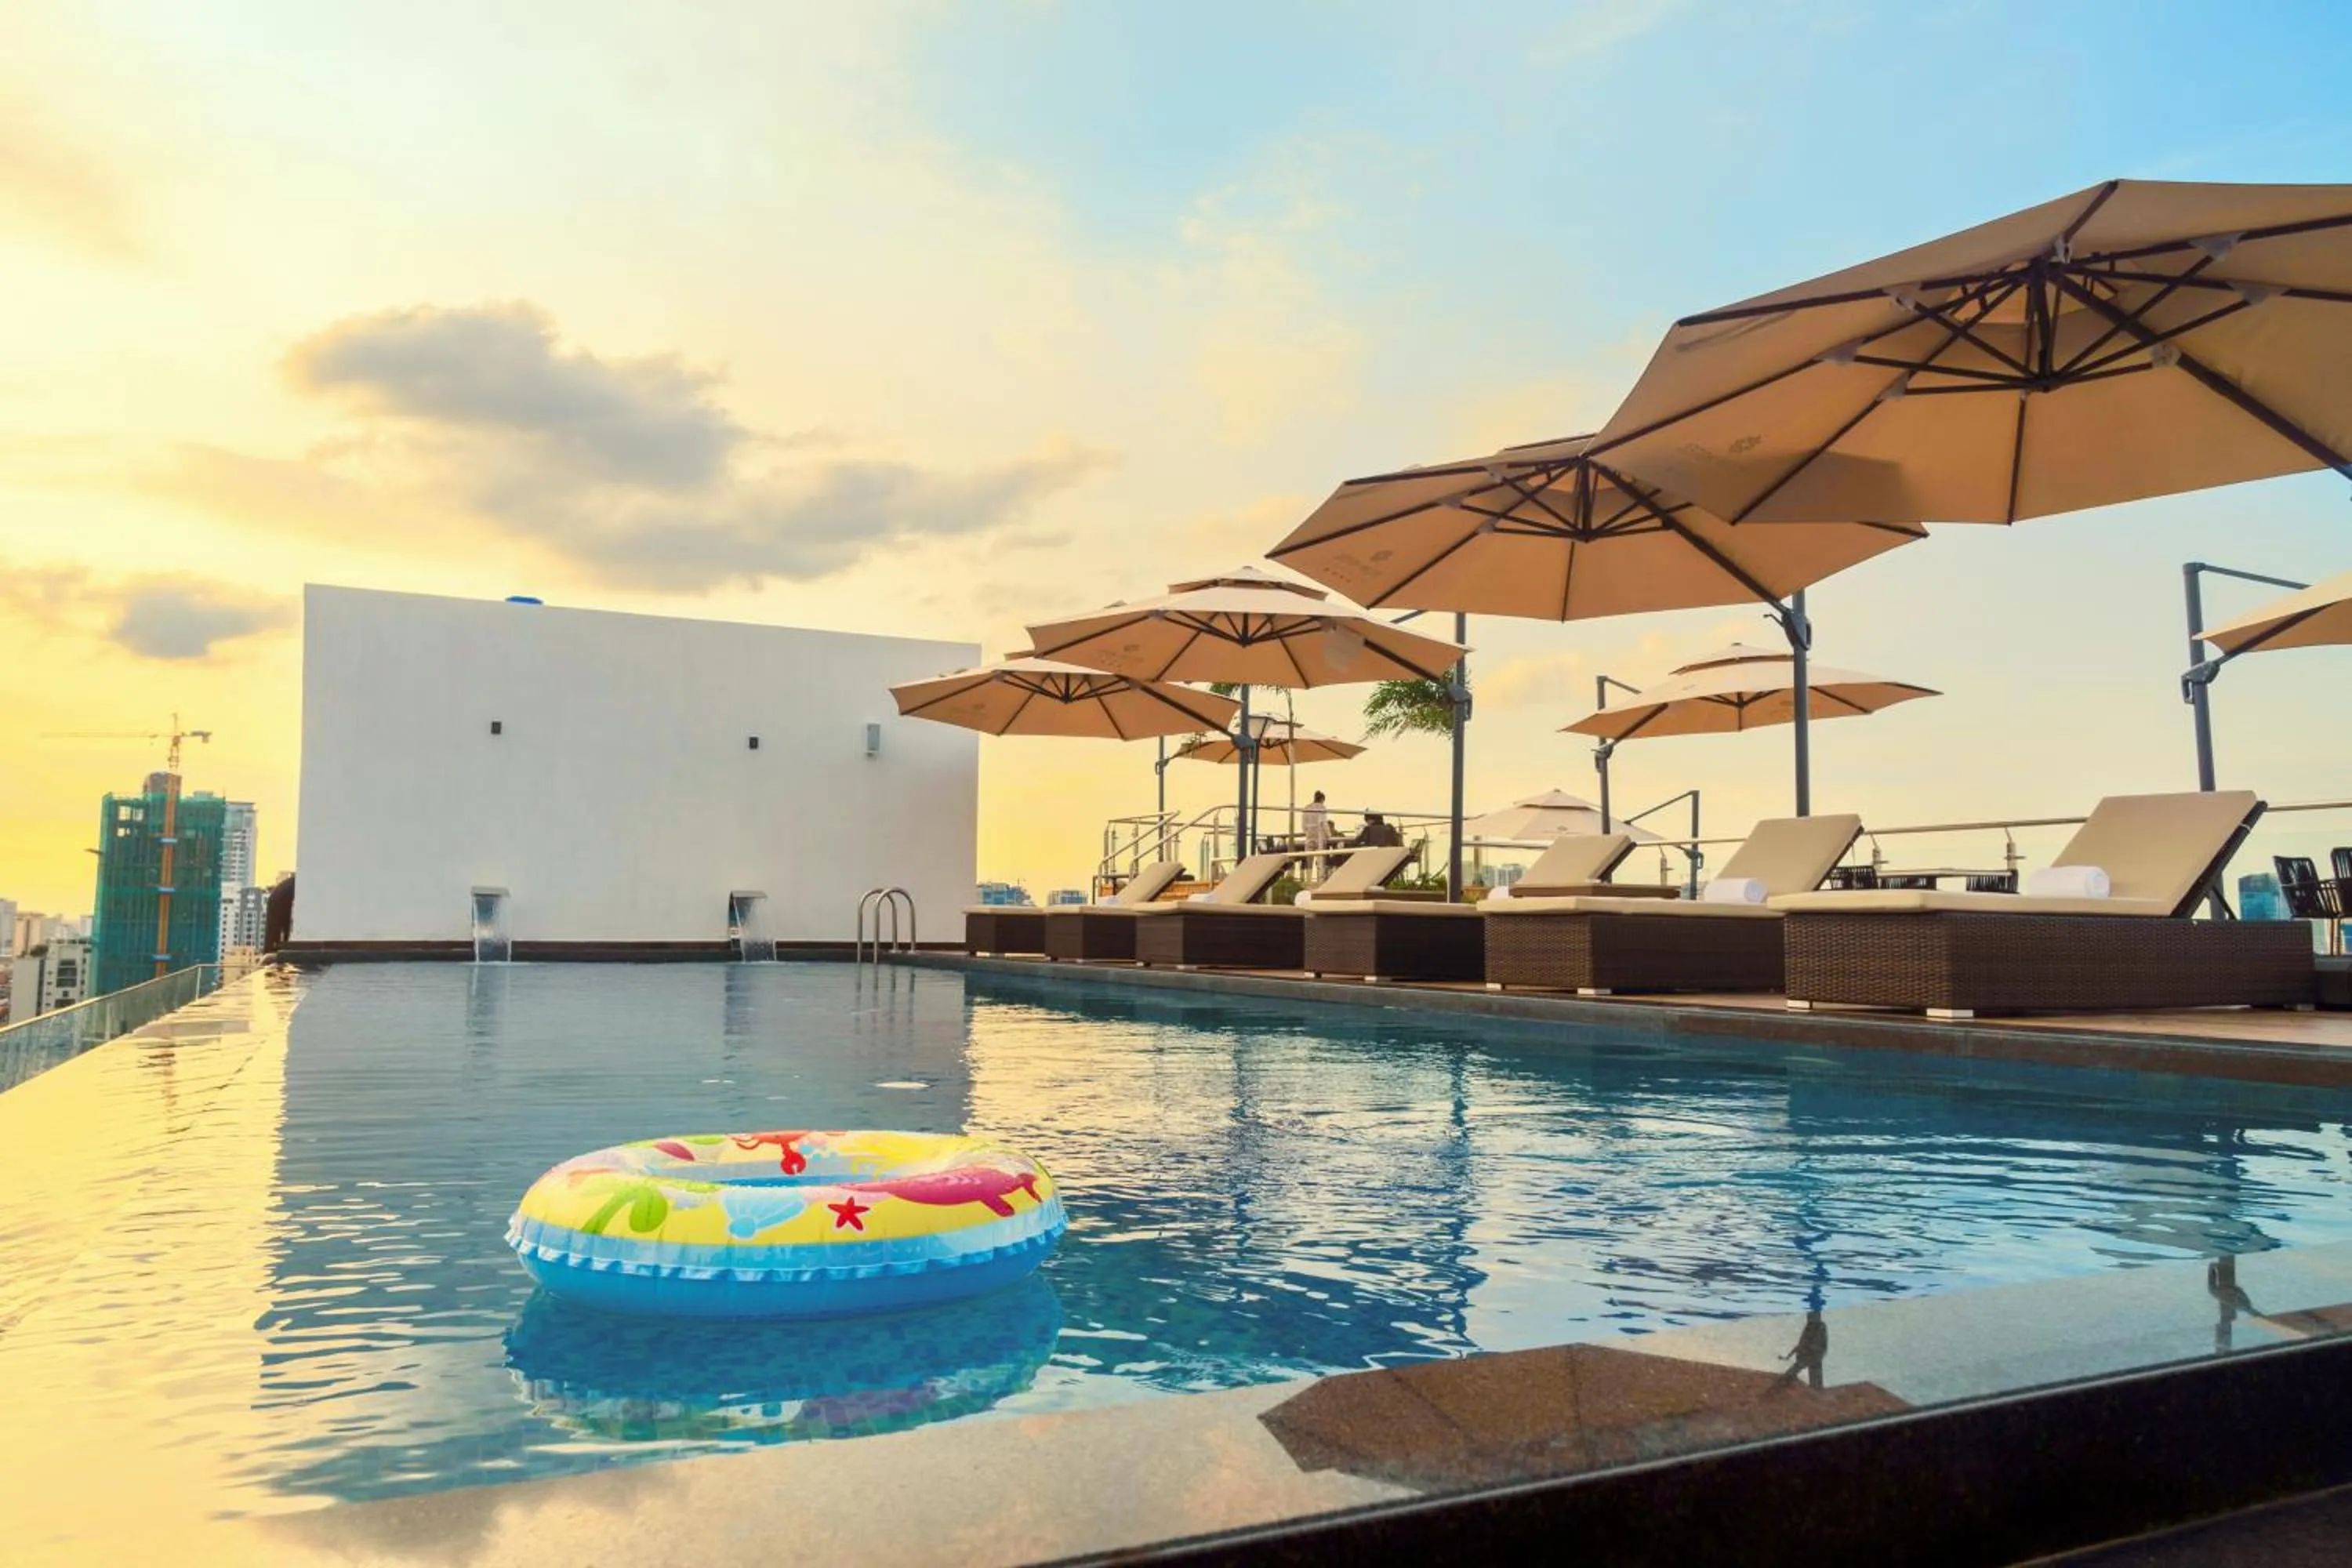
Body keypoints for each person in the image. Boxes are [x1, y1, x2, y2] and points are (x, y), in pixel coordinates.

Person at [1302, 789, 1330, 876]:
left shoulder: (1307, 808)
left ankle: (1309, 878)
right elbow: (1324, 823)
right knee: (1321, 859)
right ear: (1322, 799)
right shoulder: (1322, 808)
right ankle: (1320, 877)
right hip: (1319, 835)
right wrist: (1329, 835)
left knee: (1309, 860)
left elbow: (1304, 825)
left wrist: (1307, 831)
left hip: (1309, 835)